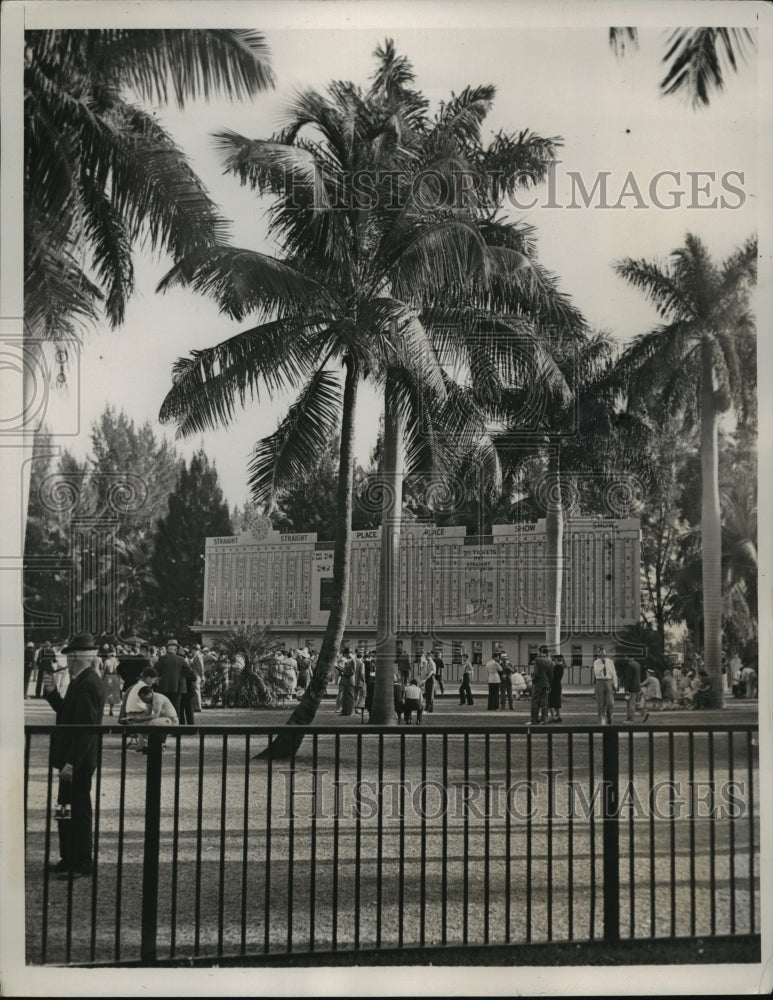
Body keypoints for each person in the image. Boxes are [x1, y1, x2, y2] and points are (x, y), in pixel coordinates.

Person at [41, 632, 106, 878]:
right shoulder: (82, 680)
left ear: (78, 657)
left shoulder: (88, 683)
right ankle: (68, 857)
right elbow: (69, 714)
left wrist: (71, 762)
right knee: (64, 808)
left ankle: (81, 862)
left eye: (69, 656)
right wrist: (52, 695)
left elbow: (87, 730)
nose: (66, 661)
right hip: (73, 759)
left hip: (77, 761)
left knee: (78, 811)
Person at [155, 638, 187, 719]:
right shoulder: (181, 659)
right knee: (176, 708)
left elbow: (155, 671)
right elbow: (189, 673)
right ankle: (176, 727)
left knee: (164, 707)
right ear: (176, 649)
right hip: (177, 688)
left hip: (163, 687)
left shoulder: (161, 658)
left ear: (167, 649)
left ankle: (165, 726)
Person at [592, 647, 618, 725]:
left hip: (608, 682)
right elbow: (597, 672)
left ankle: (610, 719)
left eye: (604, 654)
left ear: (606, 654)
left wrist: (615, 684)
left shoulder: (610, 662)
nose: (603, 656)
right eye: (601, 654)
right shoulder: (596, 662)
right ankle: (602, 721)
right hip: (600, 682)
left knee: (609, 703)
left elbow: (614, 673)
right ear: (599, 655)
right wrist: (603, 665)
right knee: (601, 703)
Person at [529, 645, 553, 725]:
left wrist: (533, 680)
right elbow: (551, 675)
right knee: (544, 703)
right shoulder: (550, 661)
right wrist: (549, 684)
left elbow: (536, 673)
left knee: (535, 701)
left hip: (538, 683)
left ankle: (534, 719)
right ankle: (543, 720)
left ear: (540, 651)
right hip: (546, 684)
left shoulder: (537, 660)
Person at [618, 656, 644, 723]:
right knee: (634, 703)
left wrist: (627, 689)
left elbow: (628, 678)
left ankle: (630, 719)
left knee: (630, 704)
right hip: (637, 687)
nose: (624, 658)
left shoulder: (630, 665)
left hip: (631, 688)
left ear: (627, 657)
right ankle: (643, 712)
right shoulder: (637, 664)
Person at [101, 647, 122, 716]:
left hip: (108, 677)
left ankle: (102, 708)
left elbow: (104, 671)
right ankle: (111, 709)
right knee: (113, 694)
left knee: (106, 693)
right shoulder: (117, 661)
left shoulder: (106, 661)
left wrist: (102, 678)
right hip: (115, 677)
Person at [548, 654, 565, 722]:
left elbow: (551, 676)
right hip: (558, 686)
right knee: (557, 703)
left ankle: (552, 718)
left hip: (553, 686)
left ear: (557, 660)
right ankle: (559, 716)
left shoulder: (556, 667)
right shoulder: (561, 667)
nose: (554, 661)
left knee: (551, 702)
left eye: (554, 660)